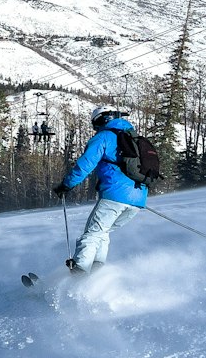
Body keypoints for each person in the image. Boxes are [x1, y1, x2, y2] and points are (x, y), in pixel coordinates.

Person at [52, 105, 147, 274]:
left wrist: (66, 185)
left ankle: (80, 271)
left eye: (95, 124)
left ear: (101, 120)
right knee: (102, 232)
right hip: (138, 199)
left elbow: (85, 165)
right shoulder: (133, 138)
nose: (95, 129)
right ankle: (97, 272)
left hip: (115, 196)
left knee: (92, 234)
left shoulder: (104, 137)